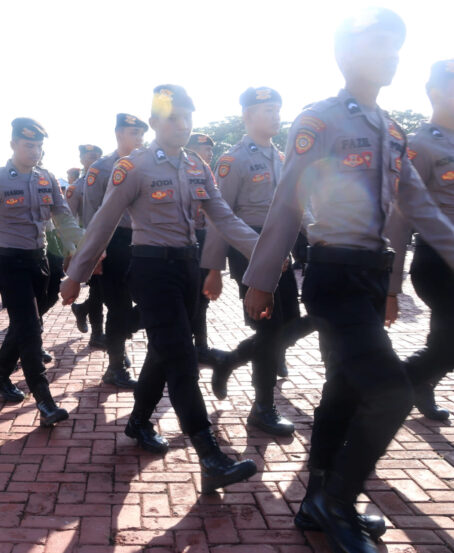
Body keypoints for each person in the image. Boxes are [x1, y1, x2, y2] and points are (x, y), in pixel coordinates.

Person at [241, 11, 454, 551]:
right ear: (345, 55)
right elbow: (288, 201)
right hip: (334, 274)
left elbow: (422, 209)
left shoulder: (391, 130)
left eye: (397, 48)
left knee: (341, 389)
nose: (392, 57)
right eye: (381, 45)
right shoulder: (322, 120)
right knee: (390, 393)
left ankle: (316, 500)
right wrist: (261, 279)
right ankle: (339, 500)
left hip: (367, 274)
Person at [60, 85, 260, 494]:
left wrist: (265, 250)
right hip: (150, 269)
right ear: (153, 123)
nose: (182, 125)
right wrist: (76, 274)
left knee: (163, 351)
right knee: (183, 358)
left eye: (187, 116)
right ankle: (210, 454)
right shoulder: (135, 167)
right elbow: (103, 222)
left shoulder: (197, 168)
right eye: (172, 117)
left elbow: (224, 217)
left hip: (187, 267)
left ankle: (137, 423)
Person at [0, 117, 84, 426]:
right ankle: (44, 400)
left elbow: (63, 218)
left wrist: (82, 247)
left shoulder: (46, 178)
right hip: (10, 263)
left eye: (39, 146)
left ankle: (0, 376)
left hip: (39, 262)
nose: (35, 151)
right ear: (13, 144)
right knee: (30, 330)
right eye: (28, 145)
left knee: (28, 323)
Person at [200, 87, 310, 436]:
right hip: (249, 249)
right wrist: (213, 269)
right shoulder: (234, 161)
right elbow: (220, 217)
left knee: (291, 325)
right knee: (270, 330)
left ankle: (230, 361)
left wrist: (321, 236)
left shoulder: (282, 157)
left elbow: (296, 208)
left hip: (281, 249)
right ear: (247, 116)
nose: (276, 116)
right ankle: (263, 408)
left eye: (278, 109)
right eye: (267, 110)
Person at [388, 59, 454, 421]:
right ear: (435, 92)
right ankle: (391, 385)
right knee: (449, 339)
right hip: (437, 262)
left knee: (445, 338)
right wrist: (391, 287)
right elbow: (400, 219)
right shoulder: (420, 146)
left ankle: (421, 385)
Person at [80, 114, 150, 388]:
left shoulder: (147, 163)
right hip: (113, 243)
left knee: (151, 303)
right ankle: (115, 365)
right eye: (134, 132)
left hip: (144, 241)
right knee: (118, 305)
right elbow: (90, 215)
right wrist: (95, 252)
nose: (139, 138)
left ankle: (116, 339)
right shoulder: (100, 169)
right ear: (119, 134)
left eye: (141, 133)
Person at [186, 133, 227, 367]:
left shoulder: (203, 170)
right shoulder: (183, 167)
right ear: (192, 149)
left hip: (202, 238)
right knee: (187, 298)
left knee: (202, 298)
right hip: (182, 241)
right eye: (205, 149)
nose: (210, 154)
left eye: (211, 151)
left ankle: (200, 345)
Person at [68, 145, 107, 348]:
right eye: (90, 157)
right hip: (89, 243)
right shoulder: (76, 187)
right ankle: (98, 333)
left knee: (102, 290)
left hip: (112, 241)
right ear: (82, 159)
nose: (95, 160)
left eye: (98, 157)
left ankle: (83, 310)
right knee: (100, 289)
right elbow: (68, 220)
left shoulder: (110, 182)